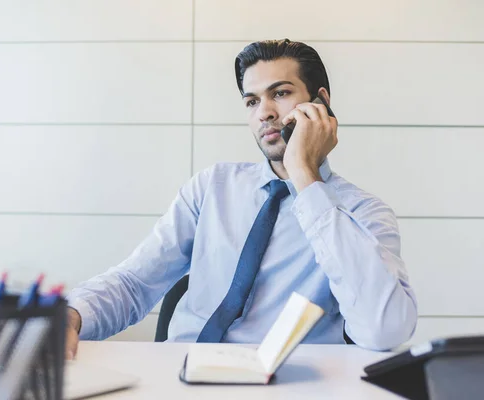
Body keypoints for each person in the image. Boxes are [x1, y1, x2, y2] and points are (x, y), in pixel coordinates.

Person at [64, 39, 417, 359]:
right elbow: (135, 282)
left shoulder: (362, 213)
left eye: (280, 93)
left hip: (290, 386)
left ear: (321, 103)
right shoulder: (212, 186)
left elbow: (384, 329)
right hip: (180, 376)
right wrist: (71, 315)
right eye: (252, 101)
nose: (264, 112)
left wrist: (305, 178)